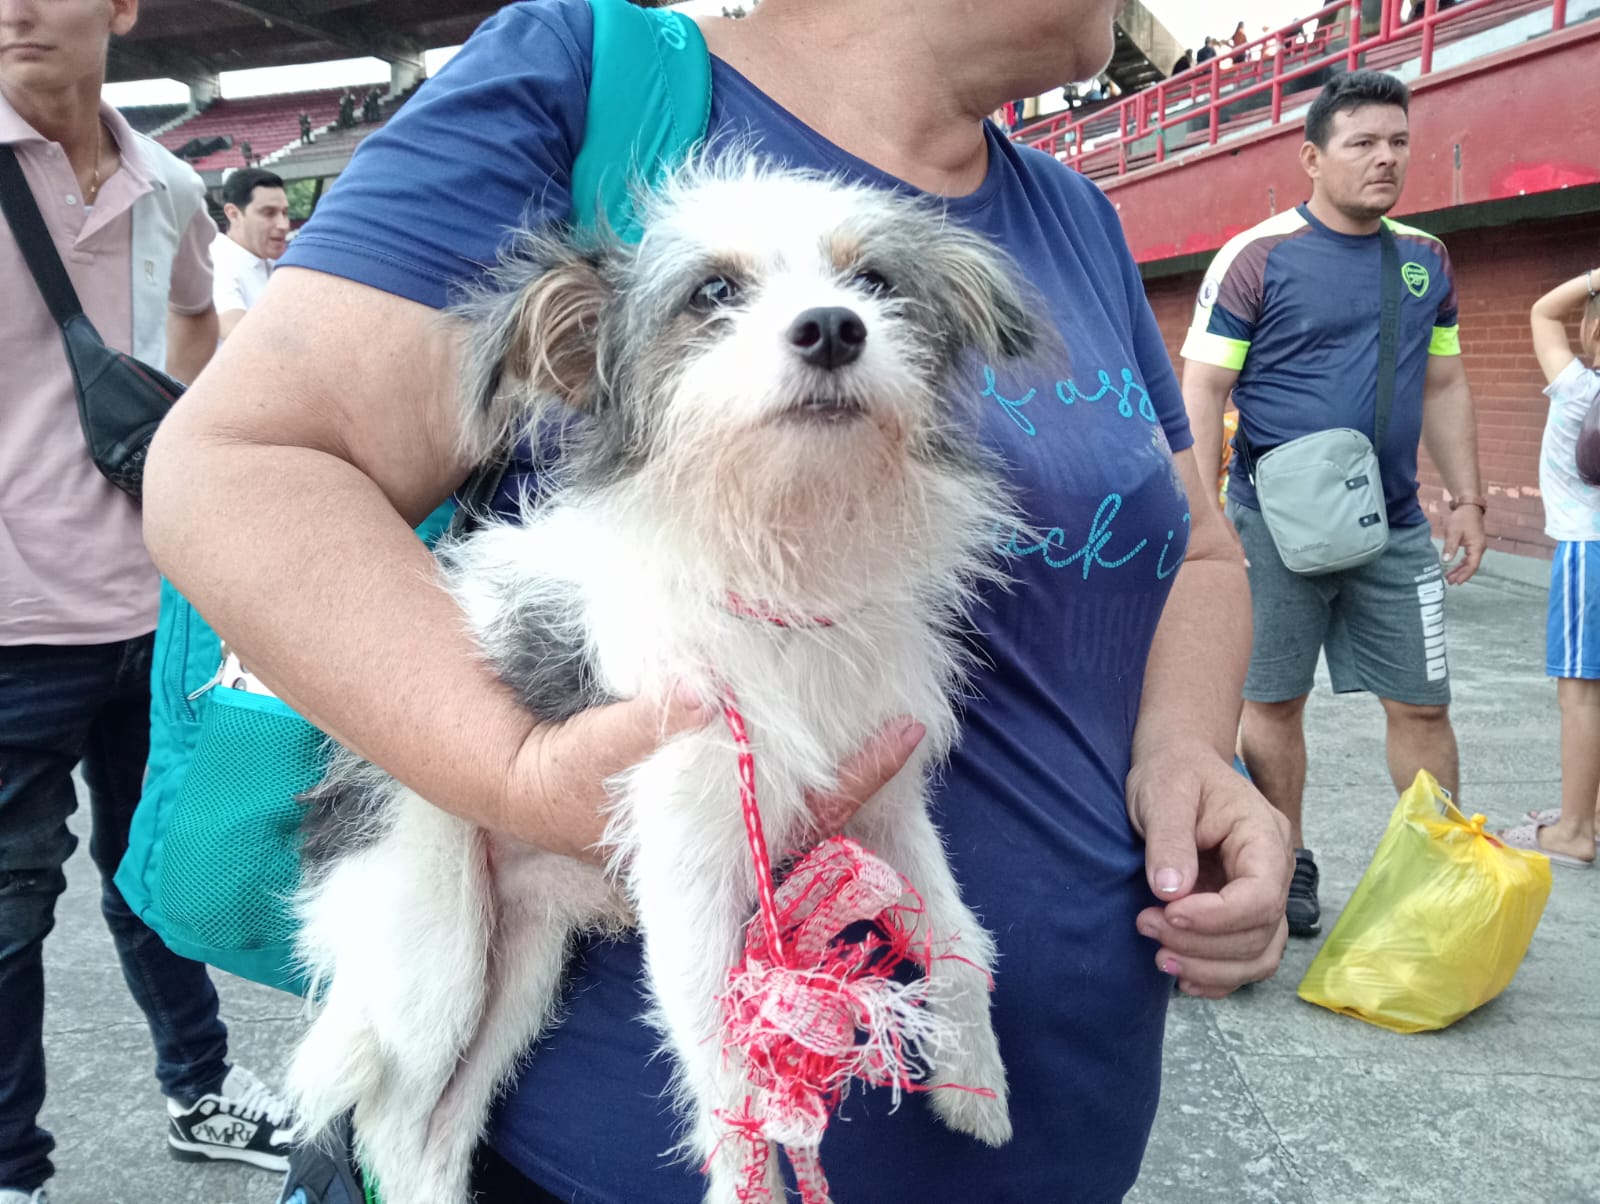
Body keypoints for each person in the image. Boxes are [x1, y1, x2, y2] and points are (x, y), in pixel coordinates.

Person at [143, 1, 1292, 1200]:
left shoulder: (1072, 213)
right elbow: (238, 466)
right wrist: (518, 776)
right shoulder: (579, 78)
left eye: (871, 286)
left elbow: (1195, 550)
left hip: (1069, 1134)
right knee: (425, 1040)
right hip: (589, 1158)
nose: (832, 316)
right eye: (715, 300)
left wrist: (1186, 750)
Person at [0, 0, 294, 1200]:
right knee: (9, 909)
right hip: (11, 622)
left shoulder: (168, 181)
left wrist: (179, 456)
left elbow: (193, 314)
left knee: (161, 870)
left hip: (155, 603)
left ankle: (202, 1089)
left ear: (121, 5)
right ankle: (13, 1169)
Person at [1180, 70, 1486, 939]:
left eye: (1399, 142)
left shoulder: (1426, 259)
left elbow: (1445, 382)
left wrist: (1467, 498)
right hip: (1272, 528)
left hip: (1395, 527)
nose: (1386, 159)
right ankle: (1285, 857)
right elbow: (1202, 389)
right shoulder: (1257, 256)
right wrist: (1206, 518)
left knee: (1423, 705)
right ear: (1313, 158)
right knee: (1273, 703)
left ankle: (1435, 871)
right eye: (1363, 143)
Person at [1497, 267, 1600, 868]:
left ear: (1593, 331)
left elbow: (1542, 310)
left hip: (1589, 551)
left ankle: (1575, 832)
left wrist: (1594, 277)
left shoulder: (1579, 388)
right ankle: (1591, 813)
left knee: (1581, 696)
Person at [212, 167, 289, 340]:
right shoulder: (217, 262)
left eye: (285, 213)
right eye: (269, 213)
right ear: (234, 214)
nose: (283, 225)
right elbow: (235, 333)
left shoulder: (273, 263)